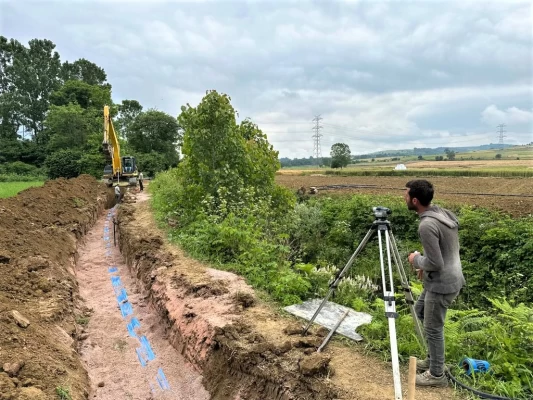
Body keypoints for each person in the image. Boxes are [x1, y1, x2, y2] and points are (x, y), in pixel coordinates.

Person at [404, 179, 466, 387]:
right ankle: (434, 360)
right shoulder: (442, 213)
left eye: (406, 195)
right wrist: (427, 264)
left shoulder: (426, 225)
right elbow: (441, 253)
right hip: (448, 277)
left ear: (414, 200)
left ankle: (437, 374)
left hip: (442, 284)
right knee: (421, 312)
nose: (403, 198)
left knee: (433, 328)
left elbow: (436, 262)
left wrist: (416, 260)